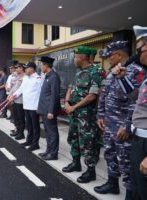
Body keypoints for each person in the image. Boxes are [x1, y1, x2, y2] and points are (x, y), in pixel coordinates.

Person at [94, 41, 135, 198]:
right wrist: (101, 115)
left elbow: (137, 102)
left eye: (110, 56)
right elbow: (104, 95)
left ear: (119, 55)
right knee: (110, 154)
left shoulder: (135, 72)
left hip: (122, 126)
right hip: (109, 123)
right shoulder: (112, 72)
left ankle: (131, 194)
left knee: (126, 161)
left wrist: (127, 125)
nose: (108, 59)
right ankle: (112, 184)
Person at [112, 25, 147, 200]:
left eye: (141, 49)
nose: (138, 54)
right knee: (136, 187)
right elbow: (136, 97)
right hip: (139, 139)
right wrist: (122, 78)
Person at [62, 46, 103, 184]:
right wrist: (67, 103)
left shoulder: (96, 71)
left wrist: (74, 107)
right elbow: (70, 87)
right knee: (73, 139)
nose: (74, 60)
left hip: (87, 116)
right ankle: (76, 163)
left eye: (75, 57)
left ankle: (91, 171)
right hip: (74, 114)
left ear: (82, 57)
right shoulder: (79, 72)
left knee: (88, 143)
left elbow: (92, 95)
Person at [8, 62, 43, 151]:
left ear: (32, 68)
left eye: (26, 68)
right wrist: (13, 96)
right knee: (29, 125)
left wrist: (39, 106)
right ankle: (29, 140)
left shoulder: (38, 78)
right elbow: (21, 89)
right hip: (26, 105)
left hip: (34, 106)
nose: (25, 69)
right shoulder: (26, 78)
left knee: (35, 126)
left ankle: (35, 144)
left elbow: (40, 94)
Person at [37, 56, 61, 161]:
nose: (40, 67)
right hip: (44, 109)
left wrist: (51, 111)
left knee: (52, 132)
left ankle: (53, 153)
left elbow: (54, 96)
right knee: (47, 131)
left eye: (41, 65)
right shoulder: (47, 76)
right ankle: (49, 150)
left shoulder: (54, 77)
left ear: (46, 65)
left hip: (49, 110)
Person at [8, 63, 26, 140]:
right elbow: (14, 88)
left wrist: (12, 96)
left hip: (20, 101)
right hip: (15, 100)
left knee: (21, 118)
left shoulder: (25, 77)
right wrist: (9, 95)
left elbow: (21, 90)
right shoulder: (18, 76)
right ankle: (17, 130)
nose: (16, 69)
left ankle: (21, 133)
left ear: (21, 68)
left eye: (17, 68)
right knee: (16, 117)